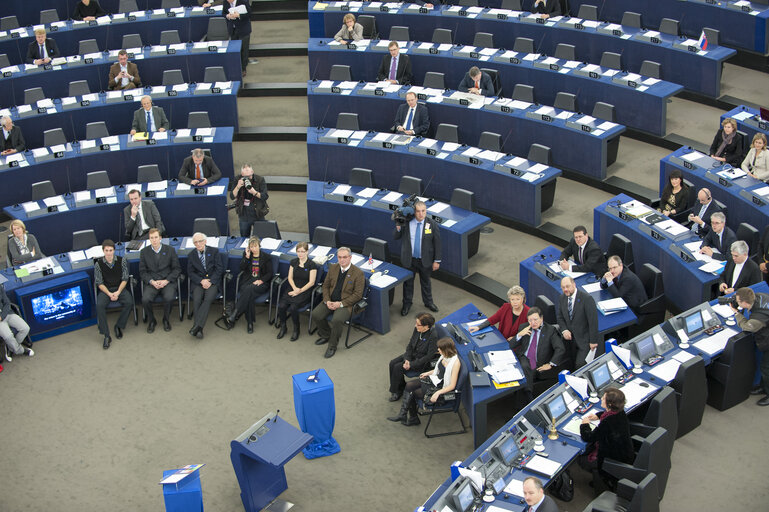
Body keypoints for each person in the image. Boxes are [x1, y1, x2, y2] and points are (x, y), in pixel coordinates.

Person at [388, 337, 461, 426]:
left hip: (440, 387)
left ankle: (412, 418)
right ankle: (403, 415)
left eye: (440, 348)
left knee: (413, 392)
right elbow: (437, 370)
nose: (438, 350)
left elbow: (452, 385)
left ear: (446, 349)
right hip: (434, 380)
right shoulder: (443, 356)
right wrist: (427, 373)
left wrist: (438, 393)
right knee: (409, 385)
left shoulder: (455, 363)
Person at [311, 247, 365, 359]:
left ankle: (332, 345)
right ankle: (326, 335)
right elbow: (325, 286)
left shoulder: (358, 273)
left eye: (345, 257)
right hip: (330, 300)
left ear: (350, 257)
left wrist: (340, 304)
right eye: (339, 257)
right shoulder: (333, 268)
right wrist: (327, 300)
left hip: (346, 304)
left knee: (337, 320)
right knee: (316, 314)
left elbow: (358, 295)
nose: (342, 260)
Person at [580, 387, 634, 492]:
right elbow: (607, 414)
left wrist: (584, 425)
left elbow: (589, 437)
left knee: (581, 460)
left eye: (603, 398)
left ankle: (602, 481)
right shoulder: (620, 413)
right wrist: (598, 416)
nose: (601, 399)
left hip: (610, 460)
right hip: (625, 456)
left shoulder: (607, 422)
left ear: (609, 404)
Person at [395, 200, 441, 316]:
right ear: (414, 212)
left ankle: (428, 302)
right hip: (409, 259)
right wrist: (398, 227)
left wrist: (437, 260)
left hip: (425, 259)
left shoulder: (432, 224)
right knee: (408, 284)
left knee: (426, 282)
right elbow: (396, 236)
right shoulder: (406, 222)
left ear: (426, 211)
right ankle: (407, 304)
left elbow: (437, 244)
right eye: (418, 211)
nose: (421, 214)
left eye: (423, 211)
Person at [512, 307, 566, 399]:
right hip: (523, 356)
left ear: (541, 319)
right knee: (524, 366)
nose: (533, 323)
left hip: (537, 361)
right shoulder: (523, 327)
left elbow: (560, 349)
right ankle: (528, 394)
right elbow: (511, 345)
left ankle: (526, 395)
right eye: (530, 320)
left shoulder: (550, 330)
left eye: (535, 319)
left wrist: (550, 364)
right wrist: (520, 334)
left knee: (525, 369)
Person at [730, 287, 769, 406]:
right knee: (765, 368)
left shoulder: (758, 318)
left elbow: (747, 326)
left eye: (738, 301)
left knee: (766, 369)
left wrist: (736, 313)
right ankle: (763, 387)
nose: (737, 302)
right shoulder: (759, 295)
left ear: (745, 303)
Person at [388, 312, 439, 401]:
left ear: (426, 326)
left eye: (418, 324)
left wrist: (411, 364)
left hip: (421, 362)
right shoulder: (417, 330)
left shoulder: (433, 336)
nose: (415, 326)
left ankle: (397, 391)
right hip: (412, 355)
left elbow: (428, 357)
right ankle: (401, 385)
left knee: (397, 367)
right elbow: (410, 345)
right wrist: (407, 359)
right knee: (392, 363)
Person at [226, 236, 273, 333]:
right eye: (251, 247)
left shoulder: (266, 257)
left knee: (248, 291)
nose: (254, 249)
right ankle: (249, 323)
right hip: (248, 280)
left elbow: (269, 273)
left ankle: (236, 313)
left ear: (259, 246)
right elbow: (242, 268)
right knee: (249, 296)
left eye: (255, 246)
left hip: (261, 283)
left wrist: (261, 281)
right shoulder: (248, 255)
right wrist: (246, 257)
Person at [139, 228, 181, 333]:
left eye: (156, 237)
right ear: (149, 239)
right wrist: (152, 281)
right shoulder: (144, 252)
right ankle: (152, 321)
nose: (154, 240)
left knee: (169, 297)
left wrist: (166, 280)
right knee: (145, 299)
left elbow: (177, 269)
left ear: (160, 238)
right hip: (152, 282)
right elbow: (142, 272)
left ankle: (166, 319)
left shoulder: (170, 250)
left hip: (167, 281)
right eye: (151, 238)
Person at [94, 239, 132, 349]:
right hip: (106, 290)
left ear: (114, 250)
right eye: (106, 250)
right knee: (99, 306)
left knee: (129, 302)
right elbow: (99, 283)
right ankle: (106, 335)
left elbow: (125, 279)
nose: (109, 253)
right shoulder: (98, 264)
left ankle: (119, 326)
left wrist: (118, 292)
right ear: (103, 251)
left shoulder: (122, 260)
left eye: (111, 250)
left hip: (119, 288)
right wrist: (110, 294)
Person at [276, 242, 318, 341]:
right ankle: (283, 327)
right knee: (282, 306)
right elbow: (290, 278)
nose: (300, 254)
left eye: (302, 251)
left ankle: (296, 330)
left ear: (307, 252)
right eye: (298, 251)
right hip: (293, 287)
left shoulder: (312, 265)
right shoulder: (293, 262)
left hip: (305, 289)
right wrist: (294, 288)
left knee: (294, 307)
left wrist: (298, 291)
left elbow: (311, 283)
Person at [556, 276, 600, 369]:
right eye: (563, 287)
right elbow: (560, 317)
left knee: (580, 365)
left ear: (574, 284)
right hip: (570, 341)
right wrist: (564, 330)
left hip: (584, 340)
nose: (565, 289)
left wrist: (593, 341)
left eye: (568, 286)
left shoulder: (586, 299)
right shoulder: (562, 298)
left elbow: (593, 321)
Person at [187, 233, 224, 339]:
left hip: (212, 282)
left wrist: (210, 281)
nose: (198, 244)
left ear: (205, 241)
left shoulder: (214, 251)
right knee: (197, 299)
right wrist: (201, 281)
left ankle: (197, 326)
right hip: (199, 282)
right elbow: (190, 272)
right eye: (195, 242)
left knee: (207, 299)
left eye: (200, 241)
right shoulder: (191, 255)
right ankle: (199, 328)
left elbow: (219, 269)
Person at [228, 164, 269, 237]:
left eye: (249, 176)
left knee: (262, 235)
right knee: (244, 237)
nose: (248, 179)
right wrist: (237, 187)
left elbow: (265, 196)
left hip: (257, 211)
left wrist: (254, 192)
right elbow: (232, 196)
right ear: (242, 174)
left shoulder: (260, 179)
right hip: (244, 212)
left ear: (252, 172)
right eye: (245, 177)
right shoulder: (237, 179)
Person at [0, 283, 33, 363]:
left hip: (7, 313)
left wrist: (2, 316)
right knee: (8, 336)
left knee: (25, 328)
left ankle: (10, 348)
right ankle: (20, 350)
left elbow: (7, 303)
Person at [223, 0, 252, 76]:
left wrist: (239, 15)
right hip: (233, 30)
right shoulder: (226, 2)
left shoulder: (243, 1)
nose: (227, 1)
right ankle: (236, 67)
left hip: (243, 29)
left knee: (244, 50)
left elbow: (249, 14)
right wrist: (227, 16)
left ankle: (243, 68)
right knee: (235, 50)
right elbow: (224, 12)